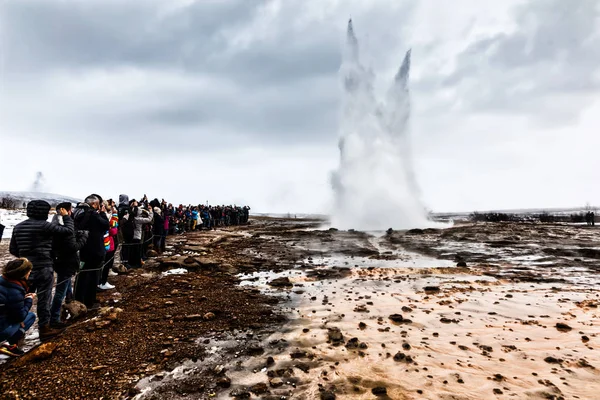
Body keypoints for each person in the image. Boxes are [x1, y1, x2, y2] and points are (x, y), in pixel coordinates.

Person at [9, 200, 72, 340]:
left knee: (20, 299)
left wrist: (25, 259)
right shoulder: (45, 226)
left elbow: (12, 249)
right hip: (44, 267)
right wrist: (66, 217)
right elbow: (68, 231)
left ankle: (14, 330)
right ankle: (44, 328)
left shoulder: (18, 227)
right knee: (44, 299)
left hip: (25, 270)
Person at [50, 202, 89, 328]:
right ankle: (54, 318)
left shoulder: (54, 223)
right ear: (67, 211)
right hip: (67, 261)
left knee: (65, 284)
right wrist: (83, 237)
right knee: (59, 291)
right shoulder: (66, 226)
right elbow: (73, 247)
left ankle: (70, 300)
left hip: (58, 260)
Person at [73, 195, 109, 309]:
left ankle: (79, 299)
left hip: (82, 247)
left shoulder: (77, 211)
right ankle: (89, 301)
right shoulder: (92, 214)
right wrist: (103, 213)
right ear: (94, 204)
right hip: (94, 248)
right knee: (93, 275)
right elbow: (105, 225)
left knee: (83, 274)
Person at [0, 259, 36, 357]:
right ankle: (9, 344)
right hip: (2, 328)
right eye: (28, 273)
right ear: (22, 274)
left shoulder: (2, 281)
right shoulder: (15, 290)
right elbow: (20, 317)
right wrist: (29, 300)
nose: (29, 274)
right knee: (30, 316)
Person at [98, 200, 118, 290]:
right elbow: (113, 230)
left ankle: (100, 282)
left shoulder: (99, 215)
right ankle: (103, 282)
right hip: (107, 242)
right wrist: (115, 216)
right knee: (105, 264)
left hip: (103, 242)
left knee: (102, 264)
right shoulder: (105, 216)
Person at [128, 201, 153, 269]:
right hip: (137, 236)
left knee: (133, 251)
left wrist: (133, 206)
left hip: (132, 236)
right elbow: (149, 219)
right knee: (137, 251)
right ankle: (137, 264)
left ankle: (132, 263)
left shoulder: (131, 218)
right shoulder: (138, 219)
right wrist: (150, 211)